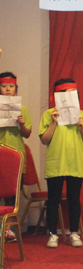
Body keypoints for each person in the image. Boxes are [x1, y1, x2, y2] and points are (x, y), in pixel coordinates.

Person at [39, 78, 83, 248]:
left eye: (74, 94)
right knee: (53, 200)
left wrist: (82, 128)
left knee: (74, 199)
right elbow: (44, 139)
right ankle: (52, 234)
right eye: (67, 94)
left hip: (75, 162)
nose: (71, 98)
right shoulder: (49, 114)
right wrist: (53, 122)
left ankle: (74, 233)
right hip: (56, 162)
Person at [0, 70, 32, 242]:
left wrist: (22, 124)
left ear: (16, 89)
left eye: (11, 87)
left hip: (16, 158)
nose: (7, 89)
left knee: (13, 196)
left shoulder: (22, 109)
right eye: (4, 86)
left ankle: (8, 229)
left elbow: (27, 134)